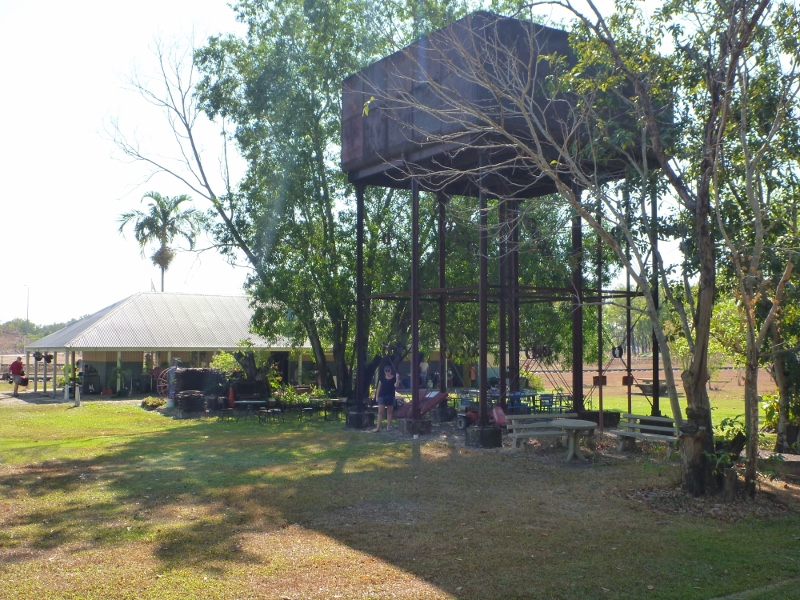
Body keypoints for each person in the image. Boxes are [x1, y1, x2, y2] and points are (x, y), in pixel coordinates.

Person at [374, 365, 400, 432]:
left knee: (389, 411)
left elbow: (396, 386)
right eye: (386, 371)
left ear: (391, 371)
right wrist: (377, 396)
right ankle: (378, 428)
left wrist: (397, 379)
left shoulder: (394, 378)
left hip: (390, 396)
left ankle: (388, 427)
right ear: (384, 371)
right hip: (382, 396)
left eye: (388, 371)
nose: (387, 372)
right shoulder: (382, 378)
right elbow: (379, 388)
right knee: (380, 412)